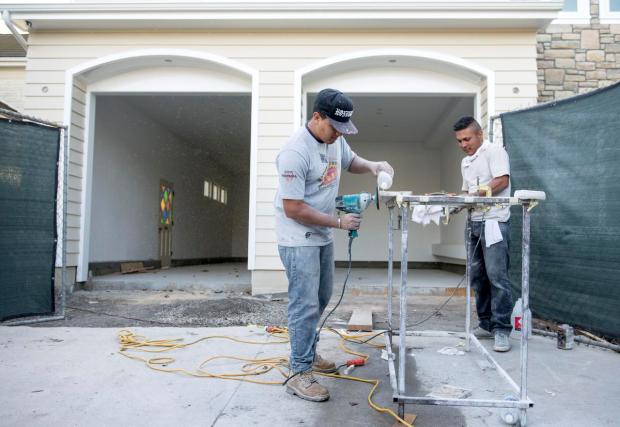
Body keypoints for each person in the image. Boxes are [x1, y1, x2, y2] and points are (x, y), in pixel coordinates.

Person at [275, 88, 393, 402]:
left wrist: (372, 166)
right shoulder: (294, 153)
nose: (337, 136)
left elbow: (349, 160)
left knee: (322, 297)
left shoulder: (334, 138)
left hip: (321, 235)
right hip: (298, 239)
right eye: (334, 129)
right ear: (317, 117)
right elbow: (293, 208)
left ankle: (309, 355)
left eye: (343, 131)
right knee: (304, 305)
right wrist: (339, 223)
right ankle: (298, 373)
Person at [454, 116, 513, 353]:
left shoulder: (495, 151)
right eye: (459, 141)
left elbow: (502, 180)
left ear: (480, 134)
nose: (463, 144)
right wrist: (450, 203)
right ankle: (486, 324)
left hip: (494, 222)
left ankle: (501, 329)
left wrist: (477, 194)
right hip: (474, 223)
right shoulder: (466, 162)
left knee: (497, 276)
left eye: (467, 138)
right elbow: (465, 192)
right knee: (478, 277)